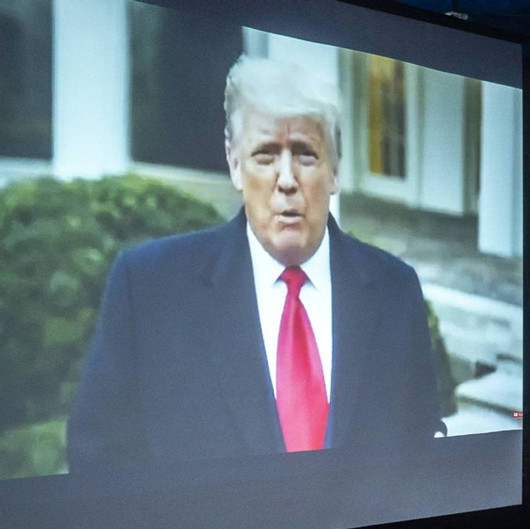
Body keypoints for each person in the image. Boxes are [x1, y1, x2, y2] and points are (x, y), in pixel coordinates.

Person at [67, 56, 442, 471]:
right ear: (235, 166)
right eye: (265, 155)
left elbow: (418, 455)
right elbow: (98, 460)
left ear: (334, 169)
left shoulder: (395, 290)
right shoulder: (149, 288)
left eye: (305, 154)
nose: (286, 179)